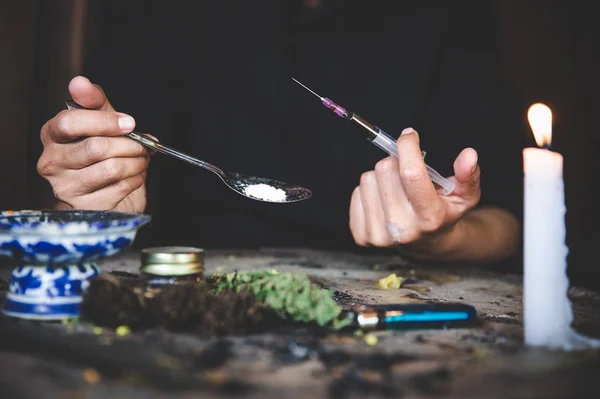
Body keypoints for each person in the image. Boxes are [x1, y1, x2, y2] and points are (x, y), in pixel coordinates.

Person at [36, 0, 526, 264]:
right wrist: (91, 196)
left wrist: (442, 237)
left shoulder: (450, 16)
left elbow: (510, 220)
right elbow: (99, 164)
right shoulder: (158, 12)